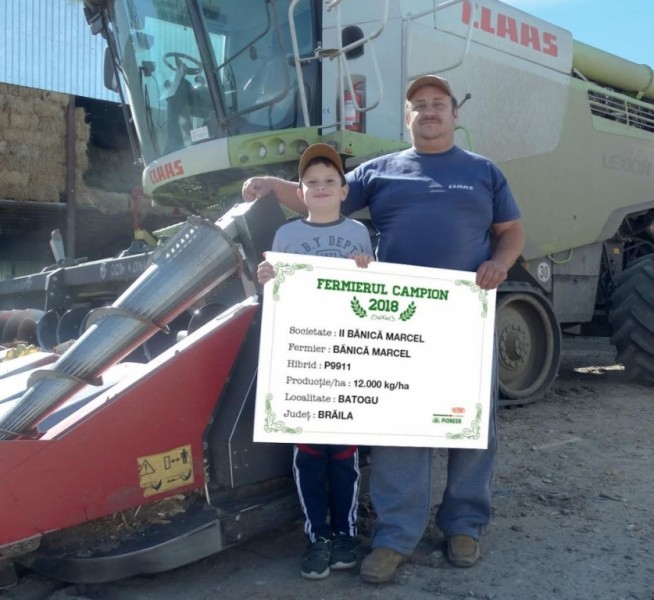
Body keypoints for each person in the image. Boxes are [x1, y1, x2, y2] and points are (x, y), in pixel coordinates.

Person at [243, 75, 525, 583]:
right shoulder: (382, 171)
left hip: (465, 317)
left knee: (471, 426)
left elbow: (511, 232)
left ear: (454, 114)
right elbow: (322, 198)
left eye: (438, 104)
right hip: (397, 322)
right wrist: (270, 185)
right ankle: (396, 535)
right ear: (408, 117)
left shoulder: (484, 171)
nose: (429, 111)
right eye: (419, 105)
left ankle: (464, 524)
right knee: (402, 423)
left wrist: (500, 264)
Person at [257, 143, 374, 580]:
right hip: (302, 361)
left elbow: (372, 296)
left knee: (343, 455)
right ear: (300, 192)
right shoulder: (286, 236)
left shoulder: (360, 234)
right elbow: (275, 297)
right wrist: (266, 280)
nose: (320, 187)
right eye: (311, 182)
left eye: (329, 181)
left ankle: (345, 534)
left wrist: (368, 271)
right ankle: (317, 537)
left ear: (344, 191)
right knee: (308, 455)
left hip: (347, 359)